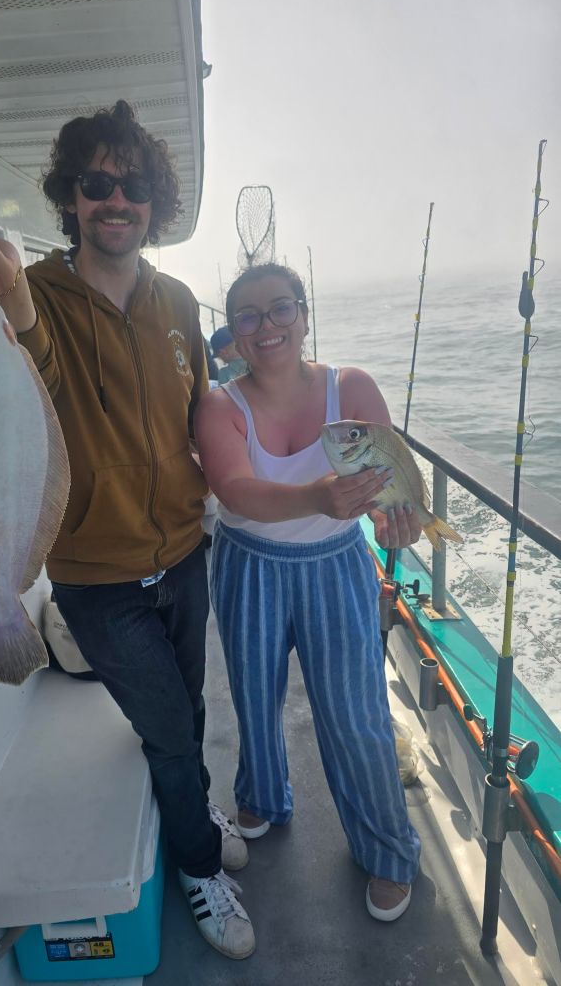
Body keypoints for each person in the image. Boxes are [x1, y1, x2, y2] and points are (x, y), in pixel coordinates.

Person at [0, 100, 254, 960]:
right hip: (95, 575)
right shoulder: (30, 295)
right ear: (70, 196)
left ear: (156, 203)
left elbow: (207, 418)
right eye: (98, 184)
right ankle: (198, 865)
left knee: (187, 706)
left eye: (135, 186)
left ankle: (195, 807)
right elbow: (26, 382)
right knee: (168, 729)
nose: (118, 201)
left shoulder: (178, 301)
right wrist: (12, 301)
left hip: (184, 552)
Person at [194, 262, 422, 923]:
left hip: (335, 566)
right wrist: (318, 497)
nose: (266, 326)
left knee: (356, 714)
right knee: (253, 695)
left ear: (303, 312)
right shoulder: (220, 405)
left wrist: (396, 519)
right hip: (249, 565)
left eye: (281, 308)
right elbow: (235, 490)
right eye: (248, 315)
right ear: (233, 332)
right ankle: (263, 794)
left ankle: (387, 851)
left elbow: (387, 480)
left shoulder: (350, 387)